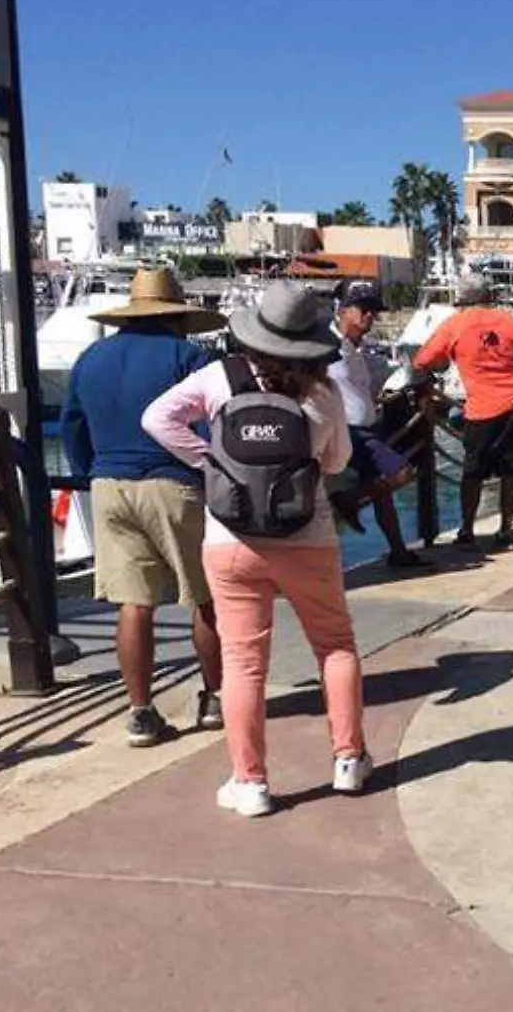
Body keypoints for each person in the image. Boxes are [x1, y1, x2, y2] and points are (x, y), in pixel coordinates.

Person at [143, 281, 370, 818]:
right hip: (307, 537)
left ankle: (251, 783)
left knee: (244, 664)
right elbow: (336, 464)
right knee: (334, 646)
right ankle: (349, 761)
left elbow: (156, 419)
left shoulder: (219, 378)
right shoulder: (322, 391)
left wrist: (210, 462)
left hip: (232, 537)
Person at [61, 267, 225, 748]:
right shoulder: (187, 355)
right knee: (205, 597)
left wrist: (88, 470)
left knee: (135, 604)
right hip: (173, 483)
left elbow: (73, 425)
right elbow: (208, 425)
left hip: (110, 484)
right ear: (176, 316)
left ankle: (140, 711)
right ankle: (215, 698)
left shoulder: (91, 357)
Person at [413, 272, 513, 551]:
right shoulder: (510, 322)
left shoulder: (456, 324)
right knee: (512, 470)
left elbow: (423, 360)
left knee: (471, 472)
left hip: (481, 410)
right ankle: (506, 528)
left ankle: (467, 529)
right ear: (490, 297)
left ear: (462, 299)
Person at [326, 282, 429, 571]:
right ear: (343, 310)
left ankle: (398, 550)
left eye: (374, 310)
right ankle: (348, 500)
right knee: (402, 473)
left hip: (370, 429)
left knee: (384, 494)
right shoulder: (326, 347)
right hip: (349, 434)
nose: (370, 316)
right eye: (363, 309)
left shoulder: (357, 350)